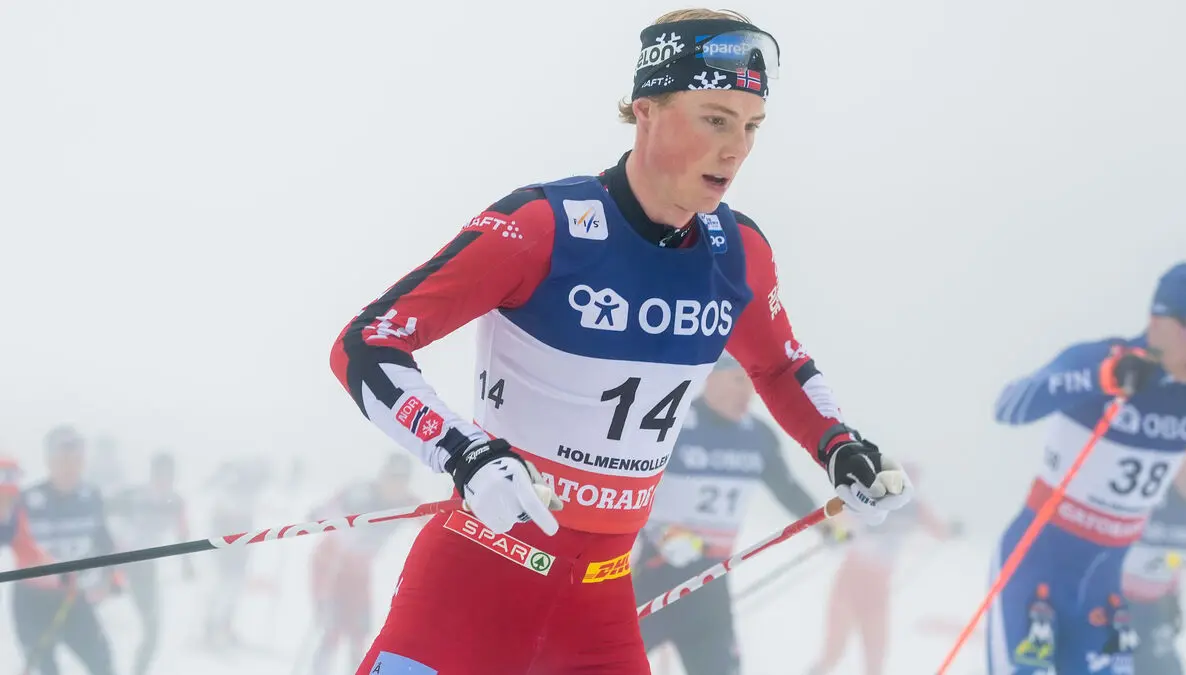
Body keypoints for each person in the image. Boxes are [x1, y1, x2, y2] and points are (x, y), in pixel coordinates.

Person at [329, 8, 915, 674]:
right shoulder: (543, 226)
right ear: (646, 110)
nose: (737, 149)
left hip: (598, 605)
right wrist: (465, 453)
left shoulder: (738, 252)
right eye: (715, 119)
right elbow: (365, 343)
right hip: (471, 589)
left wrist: (840, 445)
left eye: (752, 127)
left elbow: (779, 366)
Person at [986, 262, 1186, 675]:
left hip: (1102, 591)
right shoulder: (1101, 360)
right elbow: (1008, 406)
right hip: (1034, 570)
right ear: (1159, 320)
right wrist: (1101, 379)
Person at [633, 353, 831, 675]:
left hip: (710, 586)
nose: (748, 392)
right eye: (739, 379)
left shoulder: (758, 437)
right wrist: (662, 533)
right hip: (655, 579)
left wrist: (826, 524)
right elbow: (630, 491)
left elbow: (787, 488)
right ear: (710, 378)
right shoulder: (673, 425)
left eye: (752, 382)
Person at [806, 464, 961, 675]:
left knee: (875, 659)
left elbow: (938, 530)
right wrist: (836, 533)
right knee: (833, 652)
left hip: (878, 590)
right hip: (851, 582)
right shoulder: (872, 498)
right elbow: (838, 519)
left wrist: (952, 529)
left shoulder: (915, 509)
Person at [14, 425, 119, 675]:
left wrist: (108, 577)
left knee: (103, 663)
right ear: (49, 461)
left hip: (73, 596)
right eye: (63, 459)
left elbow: (103, 540)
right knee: (46, 669)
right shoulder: (28, 500)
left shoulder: (91, 496)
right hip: (33, 600)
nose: (70, 467)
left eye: (76, 459)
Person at [305, 453, 422, 675]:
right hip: (332, 563)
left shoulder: (406, 503)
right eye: (391, 478)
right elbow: (327, 509)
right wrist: (320, 516)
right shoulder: (361, 494)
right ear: (382, 476)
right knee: (333, 626)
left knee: (359, 629)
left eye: (401, 480)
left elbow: (429, 517)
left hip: (359, 571)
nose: (395, 485)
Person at [106, 451, 194, 675]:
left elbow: (183, 534)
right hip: (119, 560)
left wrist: (187, 564)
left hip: (145, 566)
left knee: (152, 629)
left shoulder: (175, 502)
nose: (164, 480)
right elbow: (102, 513)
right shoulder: (134, 496)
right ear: (152, 474)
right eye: (160, 474)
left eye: (169, 475)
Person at [1120, 443, 1186, 675]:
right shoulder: (1148, 494)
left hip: (1154, 608)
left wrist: (1172, 600)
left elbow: (1181, 562)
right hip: (1113, 605)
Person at [201, 455, 271, 650]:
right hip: (227, 544)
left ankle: (223, 625)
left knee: (234, 587)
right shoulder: (231, 489)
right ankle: (210, 627)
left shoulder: (247, 490)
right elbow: (220, 518)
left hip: (240, 545)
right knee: (223, 586)